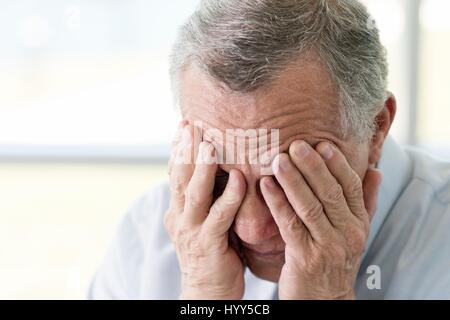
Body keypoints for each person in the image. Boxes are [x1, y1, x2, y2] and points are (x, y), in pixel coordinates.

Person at [89, 0, 450, 299]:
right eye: (219, 179)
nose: (252, 230)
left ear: (375, 129)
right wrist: (202, 294)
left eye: (289, 178)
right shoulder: (145, 240)